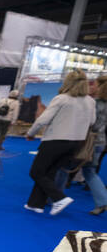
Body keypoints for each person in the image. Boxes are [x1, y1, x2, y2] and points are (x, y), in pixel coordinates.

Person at [24, 70, 96, 215]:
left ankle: (59, 198)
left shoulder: (61, 98)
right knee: (49, 172)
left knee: (36, 172)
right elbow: (92, 122)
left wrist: (30, 133)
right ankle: (36, 204)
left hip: (55, 140)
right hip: (76, 142)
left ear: (68, 82)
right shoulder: (90, 101)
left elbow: (43, 120)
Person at [83, 75, 107, 215]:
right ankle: (102, 202)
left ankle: (54, 197)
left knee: (63, 167)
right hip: (100, 141)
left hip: (89, 142)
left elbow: (91, 123)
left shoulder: (94, 103)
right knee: (90, 172)